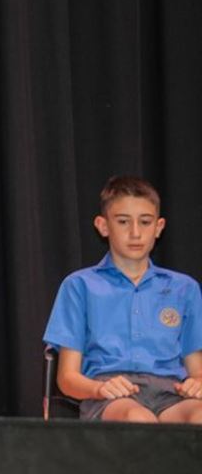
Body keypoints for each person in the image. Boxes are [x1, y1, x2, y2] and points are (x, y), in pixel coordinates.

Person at [44, 175, 202, 423]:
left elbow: (197, 370)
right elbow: (67, 379)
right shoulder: (79, 286)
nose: (135, 233)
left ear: (159, 227)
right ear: (103, 226)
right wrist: (98, 389)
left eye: (145, 222)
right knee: (138, 420)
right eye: (123, 222)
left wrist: (197, 384)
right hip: (109, 395)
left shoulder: (184, 288)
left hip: (171, 393)